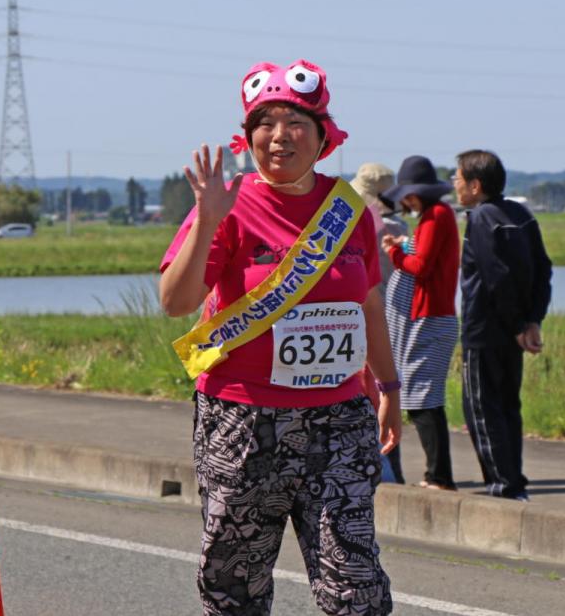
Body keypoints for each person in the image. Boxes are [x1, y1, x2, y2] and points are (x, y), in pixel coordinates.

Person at [160, 59, 402, 615]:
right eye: (264, 123)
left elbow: (367, 303)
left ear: (322, 136)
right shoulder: (228, 206)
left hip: (339, 417)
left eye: (295, 121)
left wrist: (389, 387)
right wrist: (205, 218)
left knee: (355, 585)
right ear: (247, 138)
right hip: (242, 420)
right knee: (235, 583)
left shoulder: (347, 210)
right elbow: (175, 303)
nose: (279, 136)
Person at [453, 150, 552, 502]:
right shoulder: (521, 214)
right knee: (508, 406)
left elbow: (496, 277)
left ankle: (503, 487)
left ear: (476, 185)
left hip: (485, 330)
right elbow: (544, 269)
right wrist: (531, 321)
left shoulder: (481, 218)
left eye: (459, 178)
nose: (455, 183)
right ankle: (514, 483)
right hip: (515, 331)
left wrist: (516, 324)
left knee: (481, 408)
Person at [380, 156, 461, 492]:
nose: (404, 203)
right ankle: (437, 474)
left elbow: (421, 266)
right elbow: (425, 254)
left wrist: (393, 253)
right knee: (421, 397)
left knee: (422, 398)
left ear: (415, 194)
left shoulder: (435, 216)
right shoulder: (436, 216)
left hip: (429, 318)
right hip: (429, 317)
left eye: (406, 196)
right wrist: (405, 246)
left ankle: (439, 476)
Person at [350, 162, 408, 484]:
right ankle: (392, 469)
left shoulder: (363, 222)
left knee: (371, 396)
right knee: (388, 393)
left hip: (366, 318)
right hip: (392, 317)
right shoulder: (400, 227)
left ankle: (383, 471)